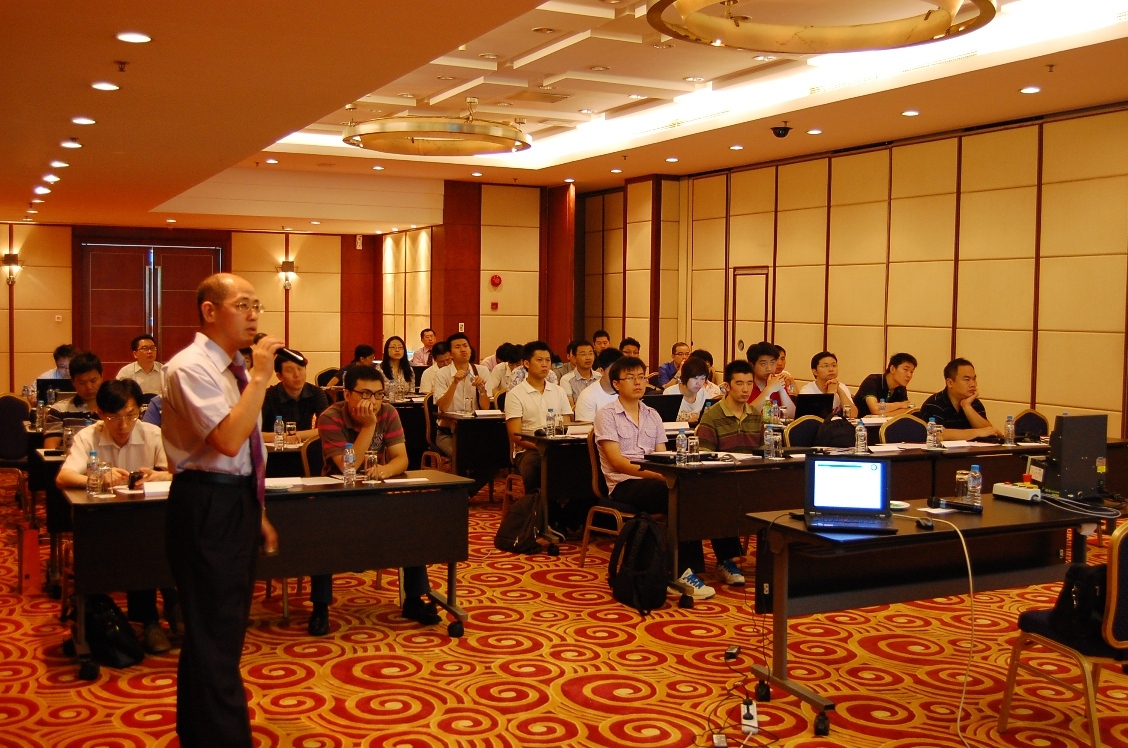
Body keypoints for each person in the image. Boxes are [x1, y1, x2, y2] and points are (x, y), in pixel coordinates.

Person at [161, 273, 283, 747]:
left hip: (234, 500)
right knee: (214, 633)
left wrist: (258, 511)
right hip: (205, 502)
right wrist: (261, 377)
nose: (254, 315)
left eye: (257, 306)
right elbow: (228, 440)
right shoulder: (190, 367)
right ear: (209, 311)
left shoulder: (234, 368)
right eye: (242, 305)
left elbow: (244, 453)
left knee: (217, 632)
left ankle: (198, 733)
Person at [593, 356, 742, 599]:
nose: (638, 382)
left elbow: (662, 455)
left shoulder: (652, 414)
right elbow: (616, 461)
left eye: (641, 377)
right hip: (624, 483)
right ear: (617, 384)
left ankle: (725, 560)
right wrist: (659, 476)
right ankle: (682, 571)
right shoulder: (606, 415)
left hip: (655, 478)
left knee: (708, 489)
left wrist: (668, 473)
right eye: (630, 378)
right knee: (677, 496)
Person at [312, 365, 440, 634]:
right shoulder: (330, 417)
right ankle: (320, 606)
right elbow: (350, 466)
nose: (373, 401)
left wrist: (385, 470)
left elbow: (401, 459)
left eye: (379, 394)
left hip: (376, 492)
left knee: (412, 522)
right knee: (321, 531)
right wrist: (369, 426)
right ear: (347, 394)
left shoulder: (388, 412)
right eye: (366, 394)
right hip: (336, 496)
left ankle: (414, 599)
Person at [57, 378, 179, 654]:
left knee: (150, 541)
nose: (123, 425)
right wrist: (97, 477)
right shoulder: (88, 437)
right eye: (114, 417)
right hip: (104, 524)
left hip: (148, 521)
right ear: (100, 413)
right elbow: (63, 477)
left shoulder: (152, 433)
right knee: (135, 547)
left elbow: (177, 473)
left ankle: (160, 611)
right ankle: (147, 619)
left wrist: (159, 475)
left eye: (130, 415)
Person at [505, 341, 573, 492]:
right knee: (534, 466)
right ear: (526, 363)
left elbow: (567, 425)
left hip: (557, 447)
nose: (545, 365)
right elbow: (516, 435)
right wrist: (543, 446)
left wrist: (556, 446)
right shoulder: (515, 394)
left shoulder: (558, 391)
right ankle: (536, 503)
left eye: (548, 360)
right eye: (539, 360)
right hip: (529, 450)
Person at [433, 332, 493, 496]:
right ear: (450, 354)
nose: (463, 350)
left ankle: (466, 491)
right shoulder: (442, 374)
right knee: (462, 454)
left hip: (475, 431)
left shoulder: (481, 371)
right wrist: (454, 382)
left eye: (465, 346)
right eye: (458, 347)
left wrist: (482, 390)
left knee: (494, 456)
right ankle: (460, 494)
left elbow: (485, 407)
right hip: (448, 433)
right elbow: (443, 407)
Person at [917, 358, 1002, 441]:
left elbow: (989, 432)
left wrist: (967, 406)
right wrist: (977, 432)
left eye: (974, 379)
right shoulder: (933, 404)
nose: (973, 384)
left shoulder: (974, 403)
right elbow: (936, 434)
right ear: (950, 383)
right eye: (967, 379)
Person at [261, 348, 329, 443]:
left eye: (300, 368)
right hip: (273, 449)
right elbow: (253, 434)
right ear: (280, 376)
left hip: (303, 447)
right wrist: (286, 437)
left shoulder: (316, 393)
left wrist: (293, 436)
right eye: (289, 370)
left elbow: (327, 429)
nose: (297, 374)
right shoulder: (267, 395)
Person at [697, 359, 762, 453]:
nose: (745, 389)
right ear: (727, 386)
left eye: (749, 383)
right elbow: (705, 455)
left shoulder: (756, 416)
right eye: (739, 384)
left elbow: (766, 454)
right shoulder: (711, 416)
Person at [854, 353, 917, 418]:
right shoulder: (872, 381)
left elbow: (905, 412)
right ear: (892, 369)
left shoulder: (901, 388)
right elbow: (875, 408)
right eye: (905, 370)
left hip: (882, 423)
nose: (909, 375)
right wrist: (899, 405)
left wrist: (879, 416)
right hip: (858, 422)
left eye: (911, 372)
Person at [746, 341, 796, 419]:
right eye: (763, 364)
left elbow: (792, 416)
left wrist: (781, 390)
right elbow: (747, 415)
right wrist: (769, 389)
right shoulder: (745, 384)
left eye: (772, 363)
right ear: (752, 365)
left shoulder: (777, 382)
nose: (769, 368)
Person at [573, 348, 623, 422]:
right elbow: (586, 427)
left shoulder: (629, 391)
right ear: (602, 371)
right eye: (613, 371)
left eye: (621, 370)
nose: (618, 375)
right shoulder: (587, 396)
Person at [800, 351, 856, 417]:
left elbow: (853, 415)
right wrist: (831, 393)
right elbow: (818, 418)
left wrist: (839, 390)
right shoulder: (807, 391)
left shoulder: (842, 387)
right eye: (826, 366)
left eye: (834, 365)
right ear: (815, 371)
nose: (831, 369)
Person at [51, 351, 103, 417]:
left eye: (93, 381)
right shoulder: (59, 410)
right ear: (73, 382)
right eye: (82, 383)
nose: (89, 387)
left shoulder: (113, 408)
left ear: (101, 377)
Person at [669, 355, 713, 424]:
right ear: (685, 376)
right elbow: (665, 423)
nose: (699, 383)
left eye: (702, 378)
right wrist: (687, 422)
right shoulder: (670, 393)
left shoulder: (704, 394)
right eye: (695, 378)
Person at [560, 340, 598, 407]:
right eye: (583, 354)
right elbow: (570, 407)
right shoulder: (566, 380)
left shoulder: (600, 378)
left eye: (590, 353)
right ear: (574, 358)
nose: (588, 358)